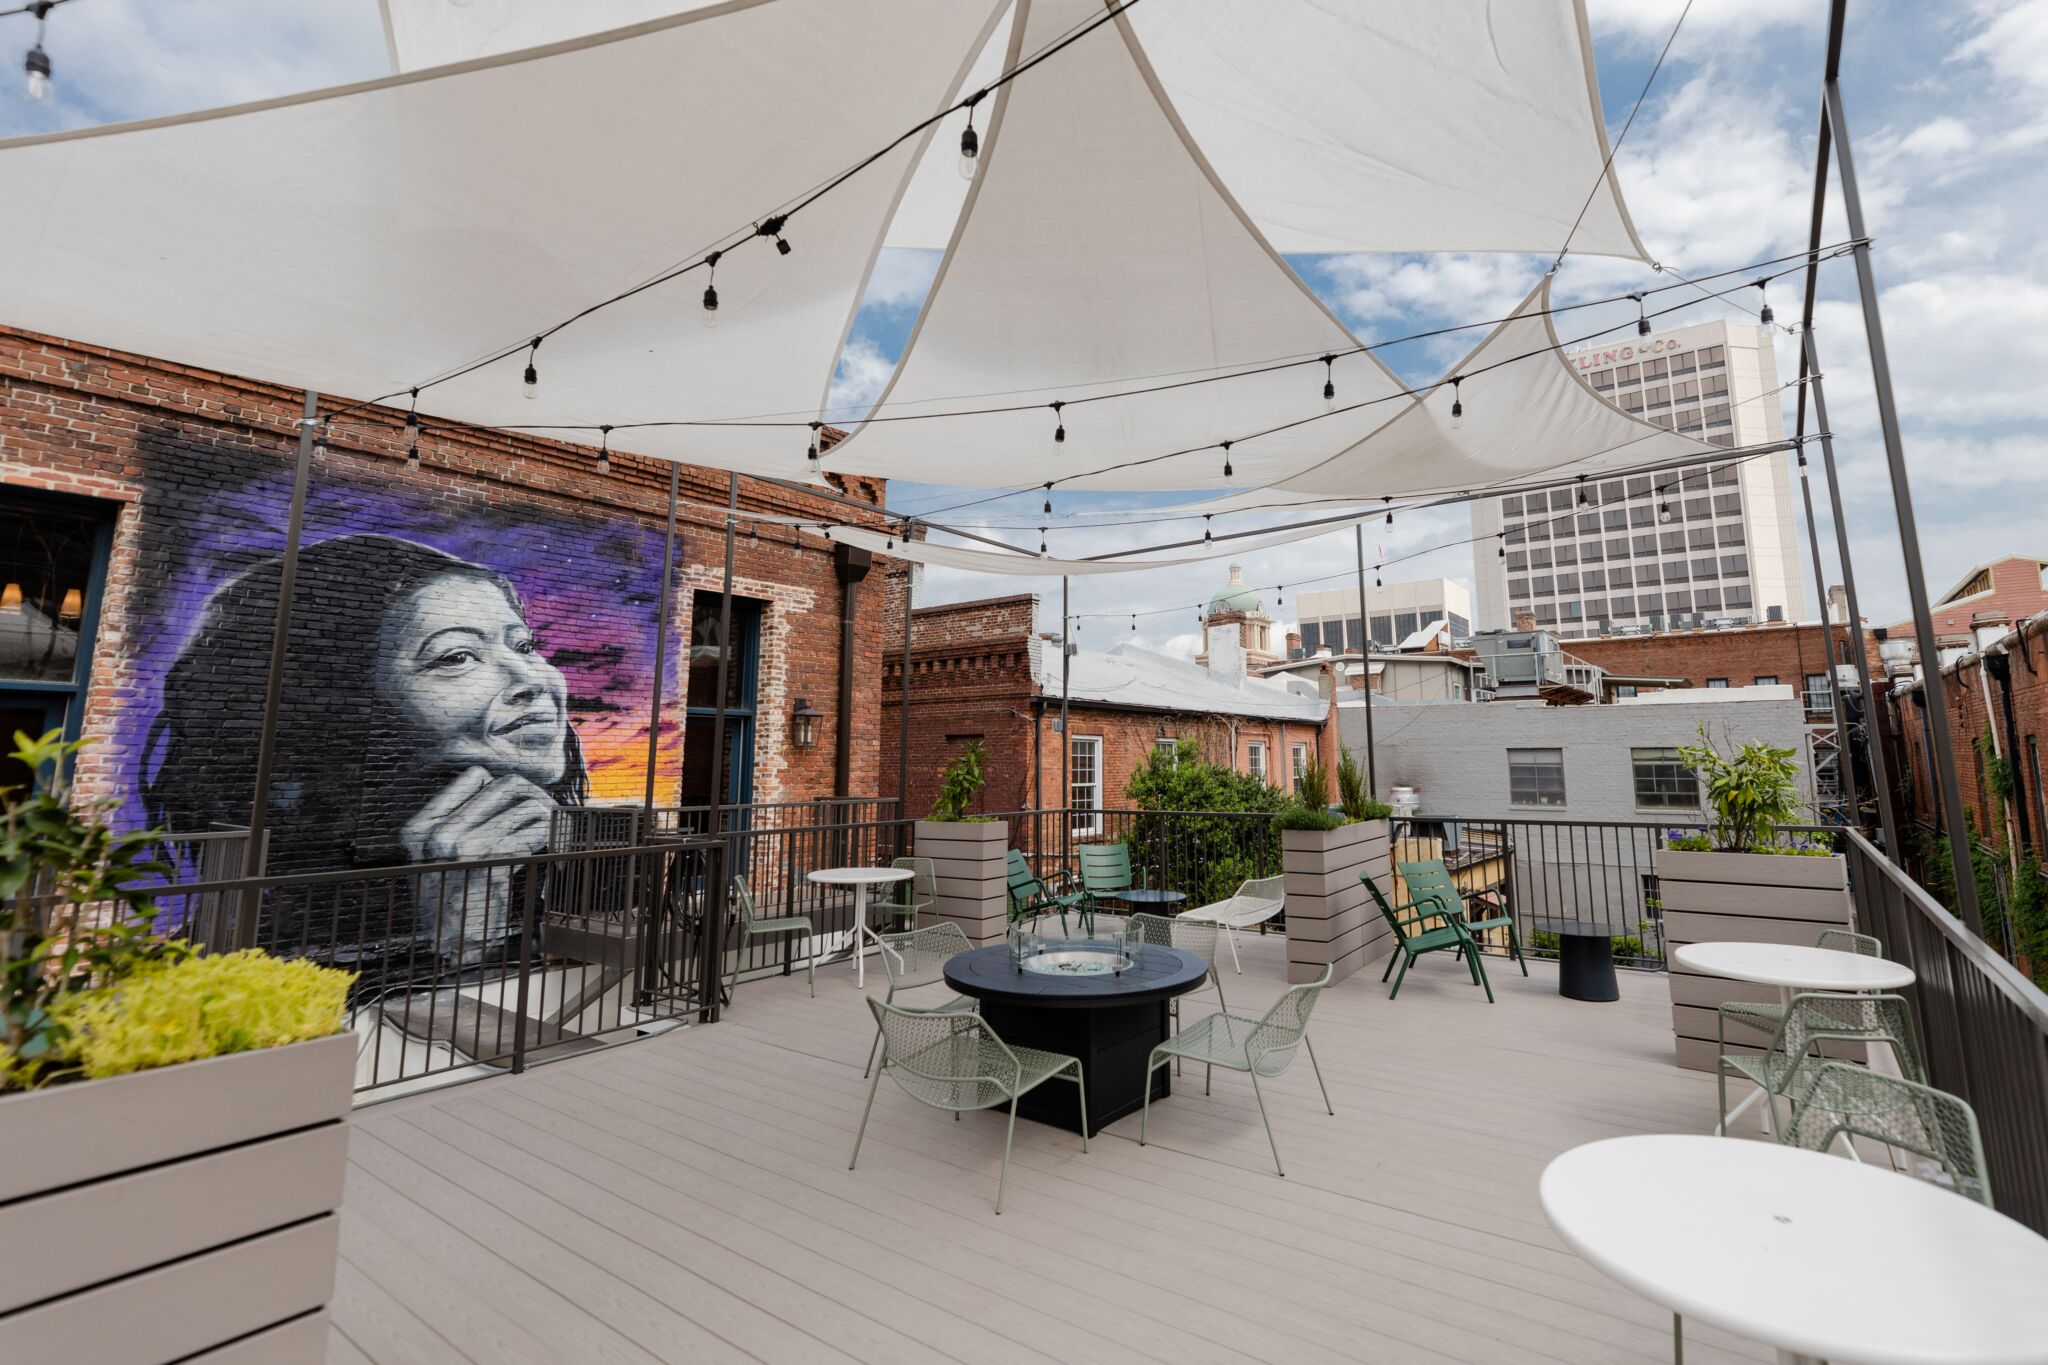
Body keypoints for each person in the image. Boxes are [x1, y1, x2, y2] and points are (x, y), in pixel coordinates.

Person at [143, 534, 587, 965]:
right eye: (455, 656)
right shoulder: (259, 926)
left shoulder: (559, 842)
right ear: (340, 702)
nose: (531, 679)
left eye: (524, 645)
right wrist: (461, 936)